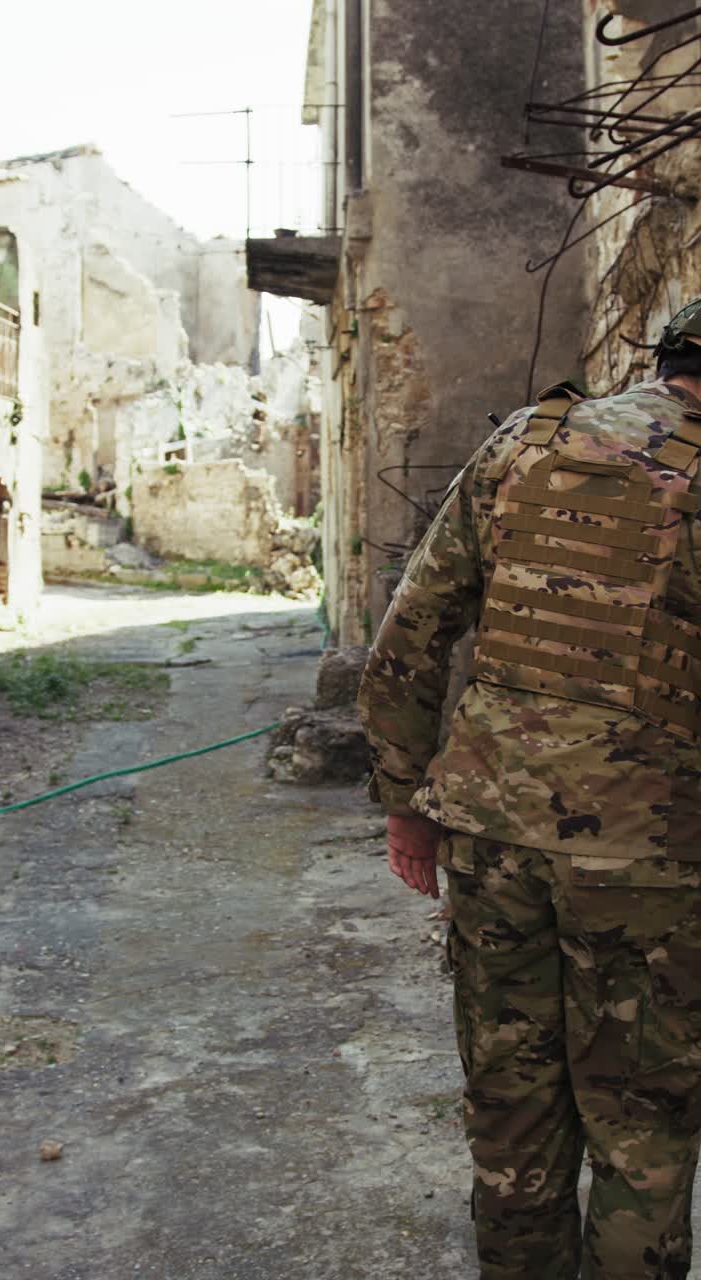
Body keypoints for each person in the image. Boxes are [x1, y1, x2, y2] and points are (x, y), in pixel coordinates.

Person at [357, 298, 701, 1280]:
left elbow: (410, 631)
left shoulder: (532, 436)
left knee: (513, 1119)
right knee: (641, 1140)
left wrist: (404, 799)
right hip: (651, 857)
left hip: (495, 839)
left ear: (663, 357)